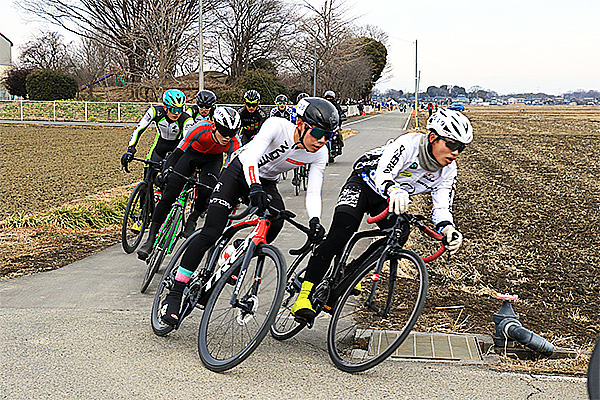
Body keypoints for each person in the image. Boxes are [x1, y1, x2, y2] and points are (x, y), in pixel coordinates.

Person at [158, 97, 340, 325]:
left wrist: (315, 221)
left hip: (266, 182)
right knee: (211, 232)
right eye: (318, 133)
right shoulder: (277, 126)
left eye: (329, 135)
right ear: (301, 124)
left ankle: (239, 250)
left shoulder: (319, 153)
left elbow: (313, 191)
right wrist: (253, 186)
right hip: (238, 171)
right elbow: (252, 156)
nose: (322, 140)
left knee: (276, 220)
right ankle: (175, 293)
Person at [290, 108, 473, 321]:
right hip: (364, 184)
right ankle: (303, 295)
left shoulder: (448, 170)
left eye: (461, 148)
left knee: (399, 233)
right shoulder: (408, 145)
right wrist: (394, 190)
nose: (456, 152)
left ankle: (351, 273)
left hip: (388, 199)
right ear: (433, 138)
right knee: (341, 232)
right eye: (451, 145)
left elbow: (442, 206)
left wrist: (448, 228)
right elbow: (384, 173)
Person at [136, 107, 242, 260]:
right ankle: (150, 239)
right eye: (224, 132)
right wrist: (167, 170)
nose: (227, 137)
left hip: (212, 161)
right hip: (190, 155)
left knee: (207, 191)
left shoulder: (234, 142)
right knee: (169, 195)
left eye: (231, 134)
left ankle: (193, 218)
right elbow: (177, 153)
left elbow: (228, 170)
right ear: (214, 126)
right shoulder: (200, 128)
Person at [120, 89, 194, 176]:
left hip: (177, 147)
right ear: (165, 107)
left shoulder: (187, 119)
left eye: (180, 109)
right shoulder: (155, 111)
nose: (177, 113)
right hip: (160, 146)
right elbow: (138, 129)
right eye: (173, 110)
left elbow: (187, 140)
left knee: (171, 178)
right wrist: (130, 149)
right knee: (148, 173)